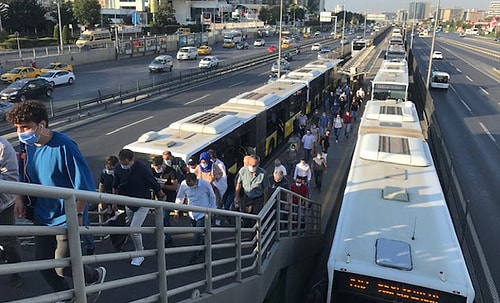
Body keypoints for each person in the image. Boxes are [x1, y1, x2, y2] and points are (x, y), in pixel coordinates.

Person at [6, 100, 106, 302]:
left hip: (66, 217)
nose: (21, 132)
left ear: (42, 124)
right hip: (43, 215)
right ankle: (67, 296)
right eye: (17, 128)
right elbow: (24, 176)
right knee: (42, 264)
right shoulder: (28, 147)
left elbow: (84, 185)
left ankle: (95, 276)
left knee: (63, 266)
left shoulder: (64, 146)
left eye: (26, 127)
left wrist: (77, 214)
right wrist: (19, 197)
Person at [113, 149, 166, 267]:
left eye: (126, 163)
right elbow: (115, 185)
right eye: (122, 163)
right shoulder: (118, 168)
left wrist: (161, 195)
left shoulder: (142, 168)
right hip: (129, 200)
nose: (123, 166)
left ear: (132, 160)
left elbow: (153, 183)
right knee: (130, 227)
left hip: (143, 201)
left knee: (134, 229)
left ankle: (140, 253)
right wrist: (114, 200)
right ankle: (137, 248)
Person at [174, 173, 217, 264]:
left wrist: (212, 210)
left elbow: (212, 196)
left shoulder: (205, 184)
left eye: (191, 184)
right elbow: (180, 196)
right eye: (188, 184)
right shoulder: (184, 184)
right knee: (198, 233)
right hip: (192, 213)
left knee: (198, 234)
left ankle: (194, 255)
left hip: (203, 212)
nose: (190, 186)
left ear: (196, 180)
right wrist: (176, 210)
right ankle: (202, 247)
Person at [0, 136, 23, 288]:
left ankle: (17, 271)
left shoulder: (2, 145)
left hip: (3, 203)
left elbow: (11, 177)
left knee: (8, 240)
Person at [234, 155, 269, 227]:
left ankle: (254, 235)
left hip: (258, 199)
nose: (251, 167)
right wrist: (237, 196)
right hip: (246, 197)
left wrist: (265, 201)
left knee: (255, 218)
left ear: (258, 165)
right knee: (245, 216)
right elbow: (238, 184)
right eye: (250, 165)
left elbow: (266, 188)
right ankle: (247, 230)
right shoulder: (243, 171)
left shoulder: (263, 174)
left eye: (254, 165)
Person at [151, 155, 177, 247]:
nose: (156, 169)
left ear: (162, 164)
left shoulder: (170, 171)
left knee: (164, 217)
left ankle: (168, 238)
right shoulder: (152, 171)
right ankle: (164, 236)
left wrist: (164, 186)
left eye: (158, 166)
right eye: (154, 166)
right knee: (160, 218)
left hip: (169, 197)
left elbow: (175, 187)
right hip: (158, 198)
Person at [98, 155, 119, 221]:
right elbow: (102, 185)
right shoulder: (104, 173)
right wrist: (100, 201)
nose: (109, 171)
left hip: (118, 199)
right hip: (108, 197)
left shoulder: (118, 174)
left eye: (111, 169)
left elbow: (116, 189)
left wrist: (115, 203)